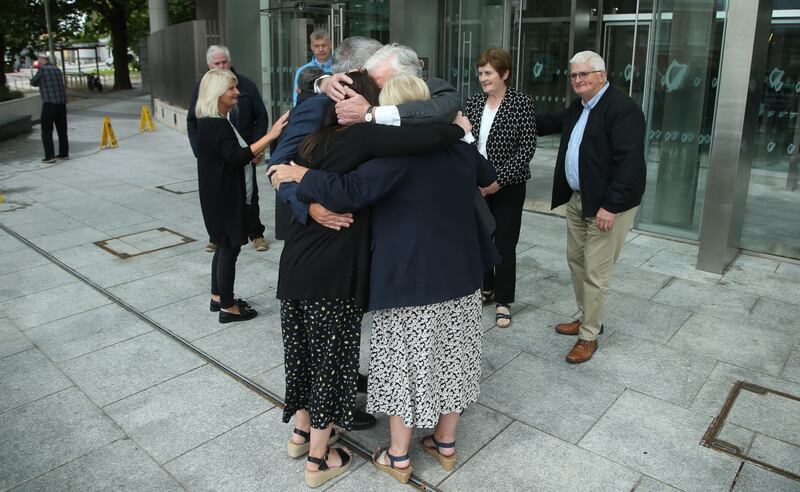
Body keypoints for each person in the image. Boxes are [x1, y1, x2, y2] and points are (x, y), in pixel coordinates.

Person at [269, 75, 499, 484]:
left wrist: (298, 175)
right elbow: (488, 176)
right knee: (454, 358)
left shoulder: (392, 156)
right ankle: (444, 444)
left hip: (411, 278)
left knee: (402, 365)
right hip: (464, 274)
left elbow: (351, 191)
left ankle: (397, 456)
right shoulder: (456, 146)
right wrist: (460, 134)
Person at [536, 50, 646, 363]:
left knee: (596, 272)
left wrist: (611, 206)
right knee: (577, 262)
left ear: (602, 74)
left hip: (607, 206)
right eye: (573, 75)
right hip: (578, 200)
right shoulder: (580, 107)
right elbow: (548, 122)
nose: (578, 80)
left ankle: (589, 336)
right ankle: (588, 317)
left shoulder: (622, 110)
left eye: (584, 74)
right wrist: (508, 106)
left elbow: (630, 164)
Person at [195, 69, 287, 324]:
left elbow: (233, 154)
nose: (237, 92)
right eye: (231, 89)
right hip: (225, 198)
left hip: (218, 195)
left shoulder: (213, 121)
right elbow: (236, 156)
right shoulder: (216, 124)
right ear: (217, 94)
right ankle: (228, 307)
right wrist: (272, 135)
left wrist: (248, 152)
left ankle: (218, 297)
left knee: (223, 244)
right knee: (229, 249)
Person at [464, 48, 537, 329]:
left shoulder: (522, 103)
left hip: (508, 186)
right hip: (477, 186)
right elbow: (466, 143)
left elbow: (526, 148)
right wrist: (477, 181)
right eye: (480, 73)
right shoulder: (472, 103)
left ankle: (504, 299)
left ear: (504, 74)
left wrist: (498, 180)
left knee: (505, 243)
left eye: (488, 73)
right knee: (481, 239)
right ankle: (487, 287)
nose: (483, 78)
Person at [188, 45, 270, 253]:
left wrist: (255, 148)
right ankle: (220, 236)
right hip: (224, 159)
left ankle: (255, 232)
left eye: (224, 62)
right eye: (217, 63)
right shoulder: (205, 94)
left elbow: (261, 117)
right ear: (209, 66)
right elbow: (193, 123)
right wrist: (203, 152)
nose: (222, 66)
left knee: (250, 195)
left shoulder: (246, 86)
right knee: (222, 202)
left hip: (244, 154)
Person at [30, 54, 68, 163]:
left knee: (46, 131)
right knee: (62, 130)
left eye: (39, 60)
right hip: (61, 104)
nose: (38, 61)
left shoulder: (42, 70)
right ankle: (64, 153)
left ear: (42, 60)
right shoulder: (57, 69)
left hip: (49, 104)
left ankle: (49, 156)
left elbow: (33, 82)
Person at [292, 29, 333, 106]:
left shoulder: (340, 68)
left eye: (324, 45)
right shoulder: (302, 71)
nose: (321, 49)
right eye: (316, 46)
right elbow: (296, 101)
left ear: (330, 45)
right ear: (311, 47)